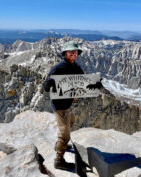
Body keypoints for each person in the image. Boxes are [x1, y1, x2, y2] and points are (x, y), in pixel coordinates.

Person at [43, 41, 102, 170]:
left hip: (68, 103)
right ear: (65, 54)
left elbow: (84, 82)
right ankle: (59, 160)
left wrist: (95, 85)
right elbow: (45, 86)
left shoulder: (76, 67)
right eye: (71, 53)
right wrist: (48, 84)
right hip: (59, 106)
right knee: (65, 134)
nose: (73, 55)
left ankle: (59, 144)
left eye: (75, 53)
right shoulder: (58, 68)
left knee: (71, 121)